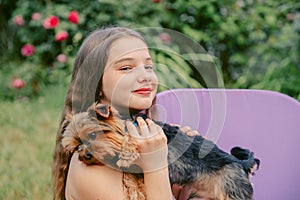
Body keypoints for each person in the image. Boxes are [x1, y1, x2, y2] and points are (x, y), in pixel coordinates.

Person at [52, 26, 198, 200]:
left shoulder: (132, 148)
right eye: (126, 68)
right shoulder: (91, 163)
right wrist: (155, 165)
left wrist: (182, 171)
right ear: (95, 84)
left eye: (149, 66)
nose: (145, 76)